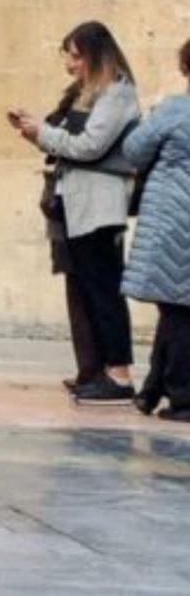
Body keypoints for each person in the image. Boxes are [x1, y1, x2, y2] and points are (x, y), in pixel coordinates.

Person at [8, 21, 139, 405]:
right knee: (85, 289)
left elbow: (90, 145)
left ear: (97, 55)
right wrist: (38, 131)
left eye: (77, 55)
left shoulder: (117, 94)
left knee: (104, 289)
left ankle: (119, 373)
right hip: (76, 203)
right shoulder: (85, 95)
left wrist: (42, 134)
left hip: (99, 205)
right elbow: (67, 143)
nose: (71, 64)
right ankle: (95, 369)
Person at [123, 38, 190, 422]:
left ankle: (182, 397)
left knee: (178, 310)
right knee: (176, 309)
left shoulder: (175, 109)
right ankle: (153, 389)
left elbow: (134, 150)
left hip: (173, 221)